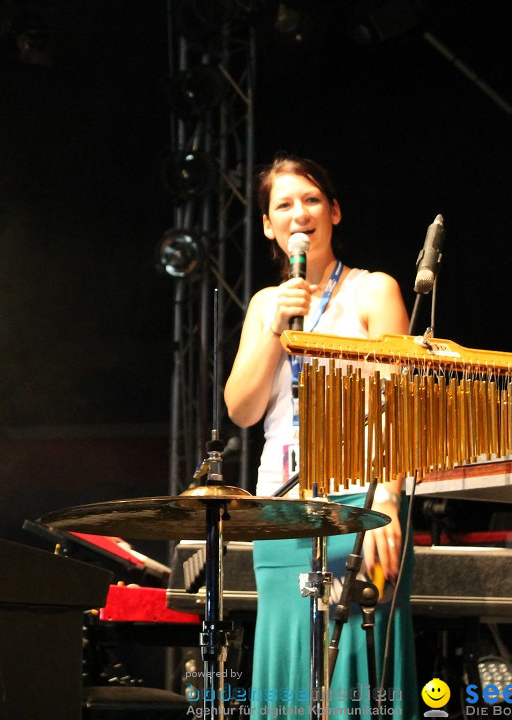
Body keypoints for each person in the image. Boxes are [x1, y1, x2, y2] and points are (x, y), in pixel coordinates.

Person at [224, 155, 416, 717]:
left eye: (310, 200)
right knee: (288, 675)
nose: (298, 214)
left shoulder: (372, 291)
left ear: (333, 211)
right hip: (281, 509)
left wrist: (387, 499)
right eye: (282, 205)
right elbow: (242, 408)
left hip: (359, 506)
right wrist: (275, 326)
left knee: (358, 669)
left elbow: (399, 407)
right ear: (267, 225)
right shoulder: (266, 303)